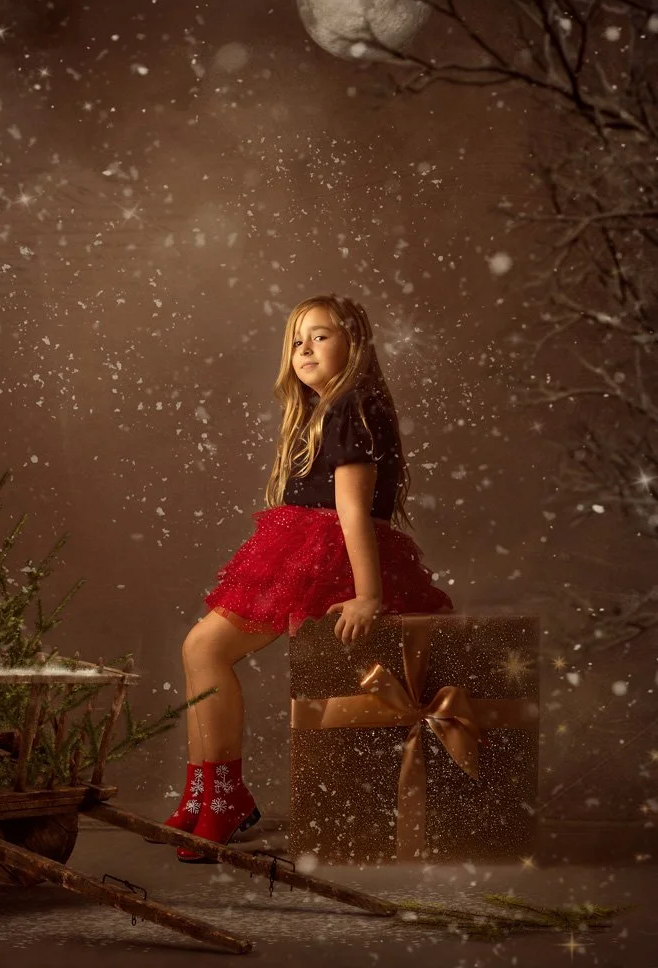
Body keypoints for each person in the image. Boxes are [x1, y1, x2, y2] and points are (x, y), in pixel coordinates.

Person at [160, 294, 454, 862]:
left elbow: (353, 508)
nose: (304, 349)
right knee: (201, 650)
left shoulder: (352, 404)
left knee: (205, 648)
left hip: (327, 552)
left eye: (320, 336)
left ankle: (222, 796)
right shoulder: (330, 409)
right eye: (298, 340)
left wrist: (368, 594)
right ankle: (205, 794)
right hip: (305, 544)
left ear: (355, 344)